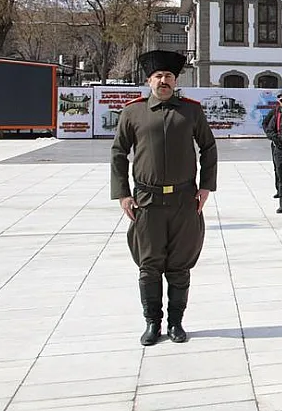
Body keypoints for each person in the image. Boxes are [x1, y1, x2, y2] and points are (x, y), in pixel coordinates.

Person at [111, 50, 217, 345]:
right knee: (149, 266)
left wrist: (206, 186)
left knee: (180, 267)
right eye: (158, 76)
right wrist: (122, 193)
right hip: (147, 202)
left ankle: (176, 322)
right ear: (149, 81)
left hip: (184, 200)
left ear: (175, 80)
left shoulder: (191, 111)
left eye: (169, 76)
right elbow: (119, 152)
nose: (164, 81)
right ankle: (152, 322)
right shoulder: (133, 112)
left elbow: (208, 148)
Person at [262, 90, 282, 213]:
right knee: (281, 174)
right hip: (279, 147)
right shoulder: (276, 113)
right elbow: (269, 128)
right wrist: (278, 138)